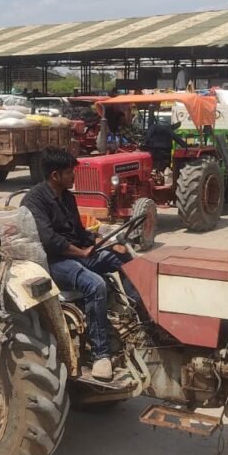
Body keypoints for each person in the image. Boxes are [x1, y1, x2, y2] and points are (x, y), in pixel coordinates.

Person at [21, 147, 138, 381]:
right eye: (69, 172)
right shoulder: (34, 200)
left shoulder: (67, 197)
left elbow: (79, 232)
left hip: (77, 253)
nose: (74, 176)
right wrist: (81, 252)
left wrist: (103, 242)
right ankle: (101, 355)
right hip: (54, 261)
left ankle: (141, 318)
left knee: (126, 259)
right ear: (55, 175)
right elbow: (50, 241)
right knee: (96, 285)